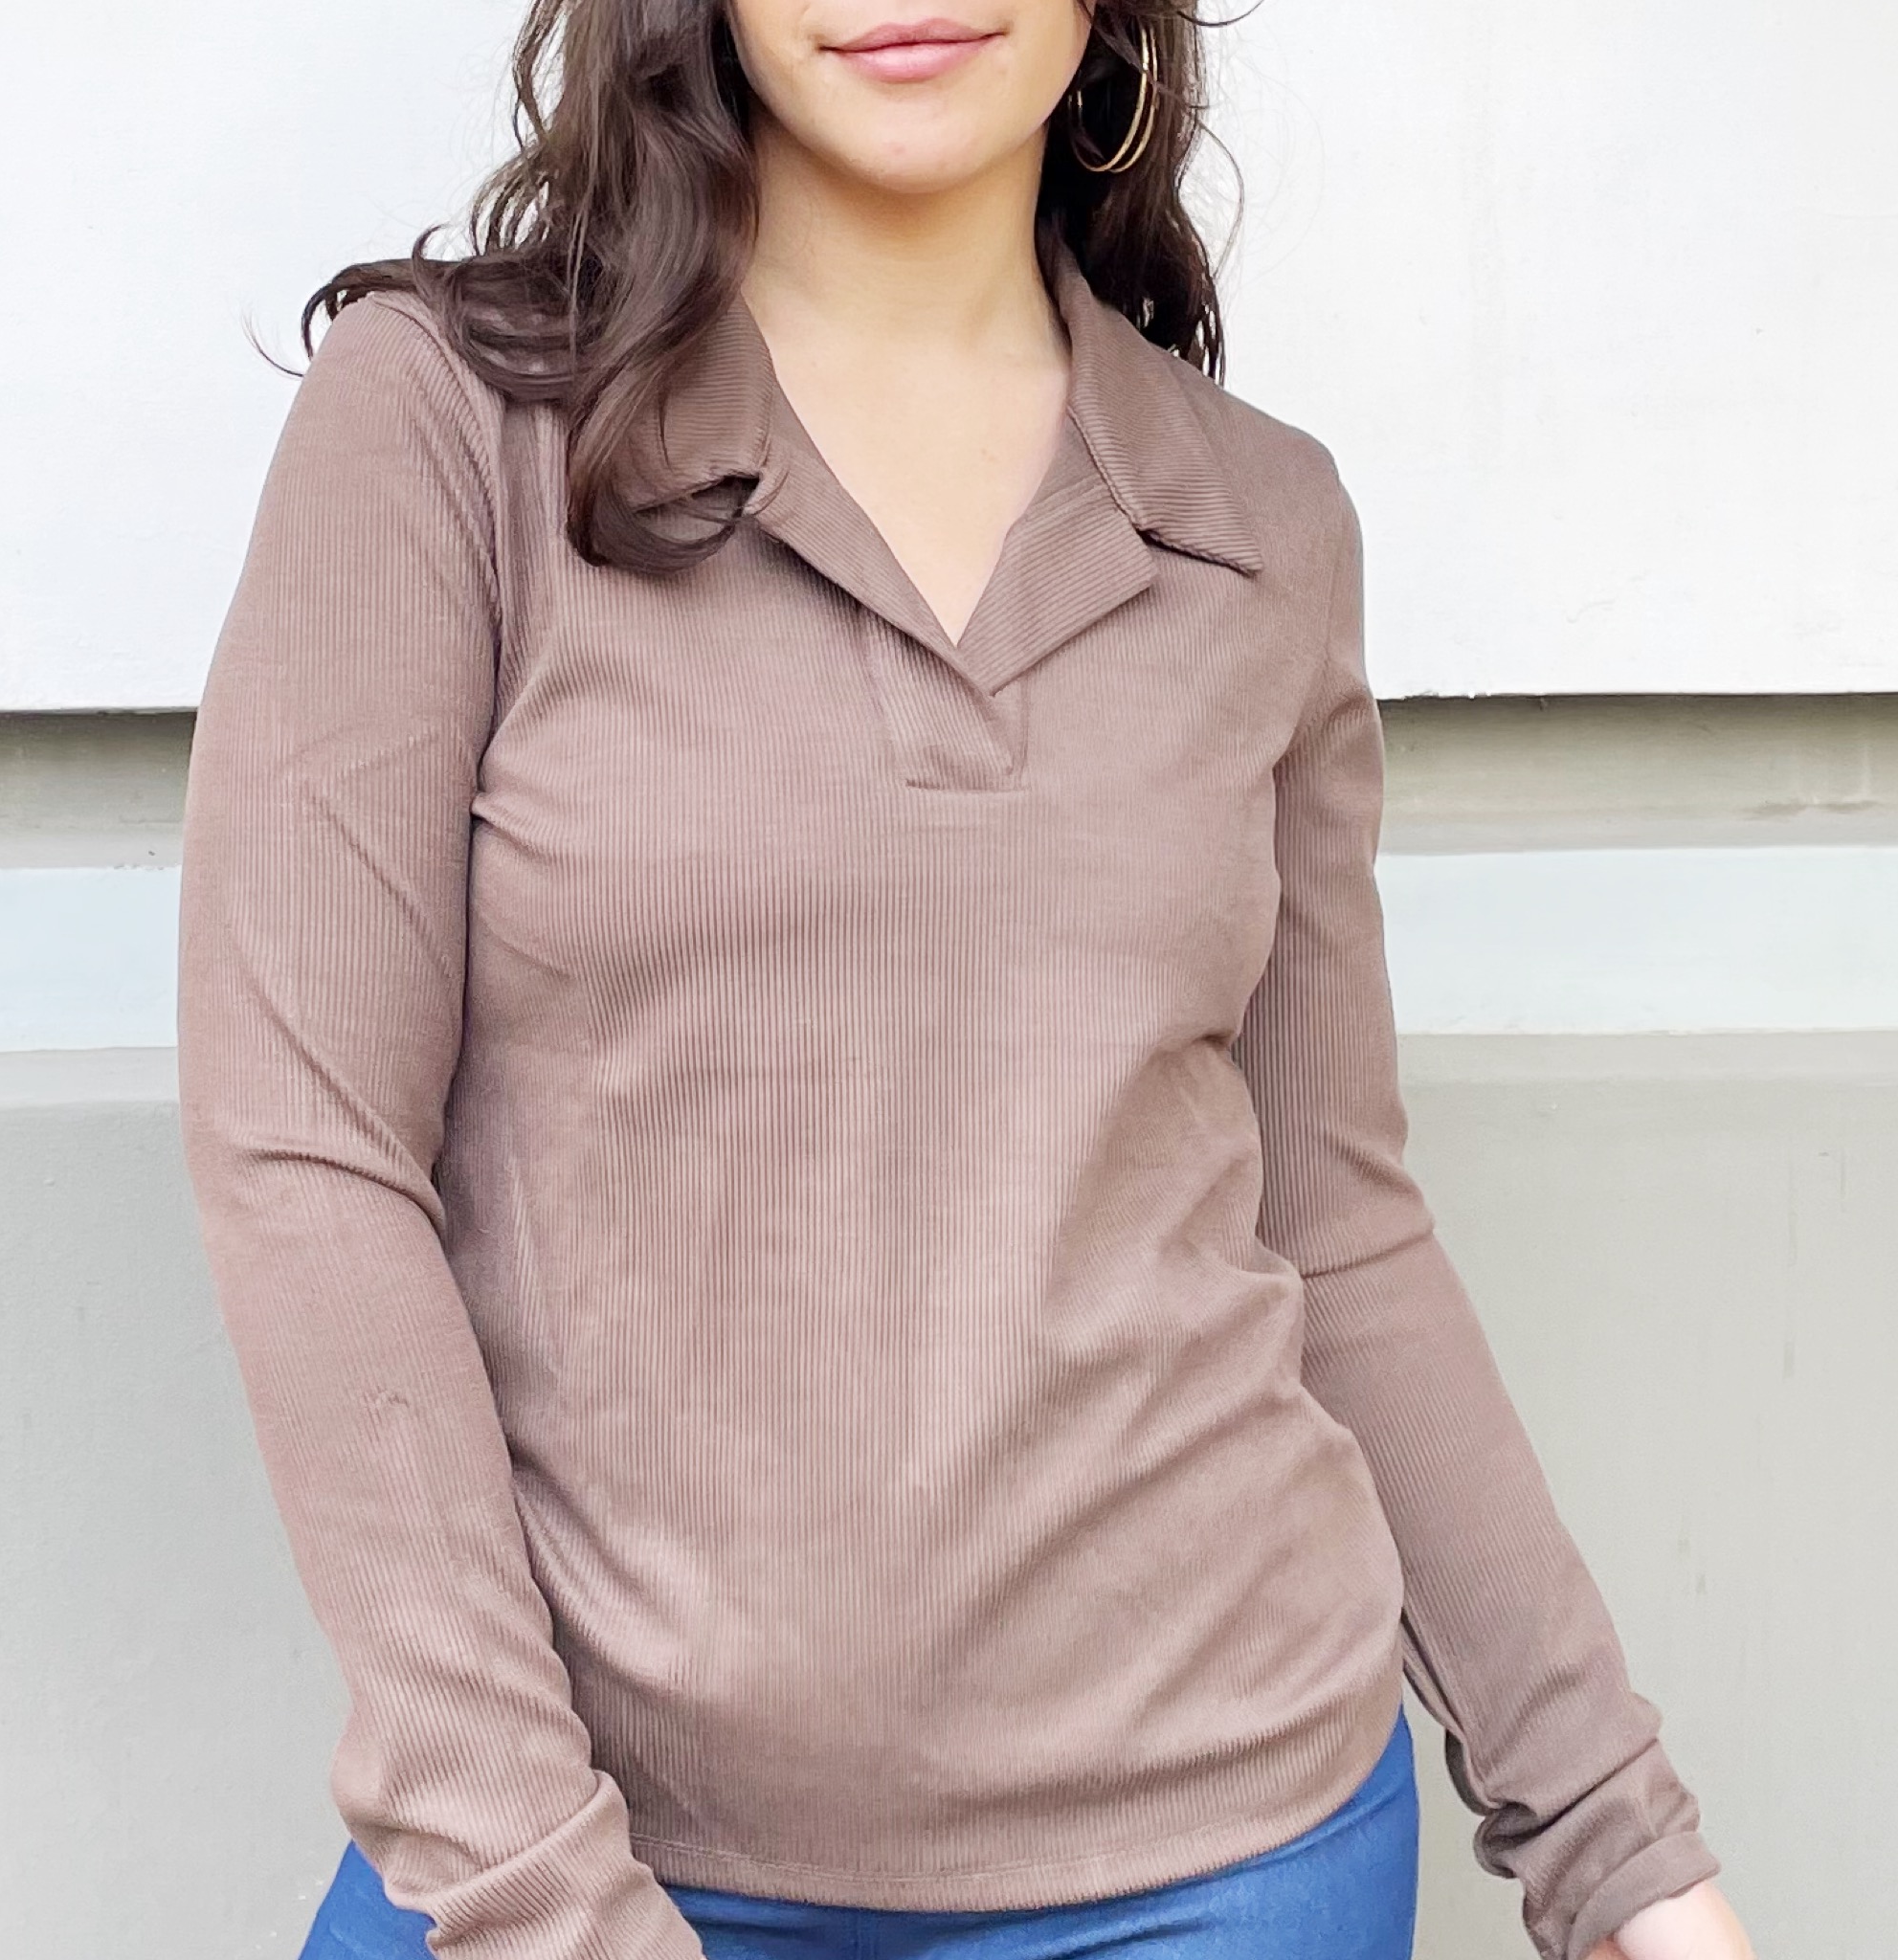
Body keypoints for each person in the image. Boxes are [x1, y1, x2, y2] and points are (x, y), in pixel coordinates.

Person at [173, 2, 1759, 1958]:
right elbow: (306, 1161)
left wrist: (1620, 1843)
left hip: (1220, 1865)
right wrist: (532, 1886)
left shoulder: (1260, 528)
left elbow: (1333, 1227)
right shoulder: (446, 428)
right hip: (575, 1861)